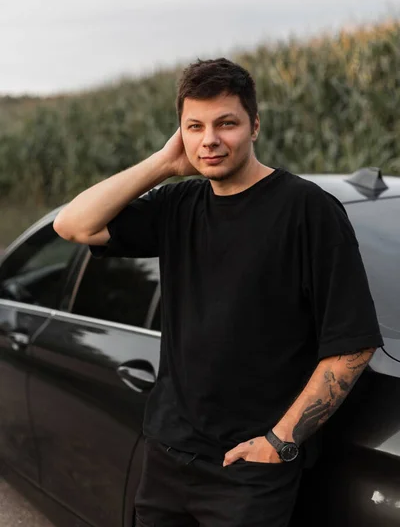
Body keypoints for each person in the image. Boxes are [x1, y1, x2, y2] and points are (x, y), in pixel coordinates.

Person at [54, 58, 384, 527]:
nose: (209, 139)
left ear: (255, 125)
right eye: (195, 126)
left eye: (225, 123)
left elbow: (351, 345)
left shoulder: (308, 211)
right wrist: (166, 163)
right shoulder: (178, 205)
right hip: (167, 459)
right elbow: (72, 224)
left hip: (248, 474)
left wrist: (281, 440)